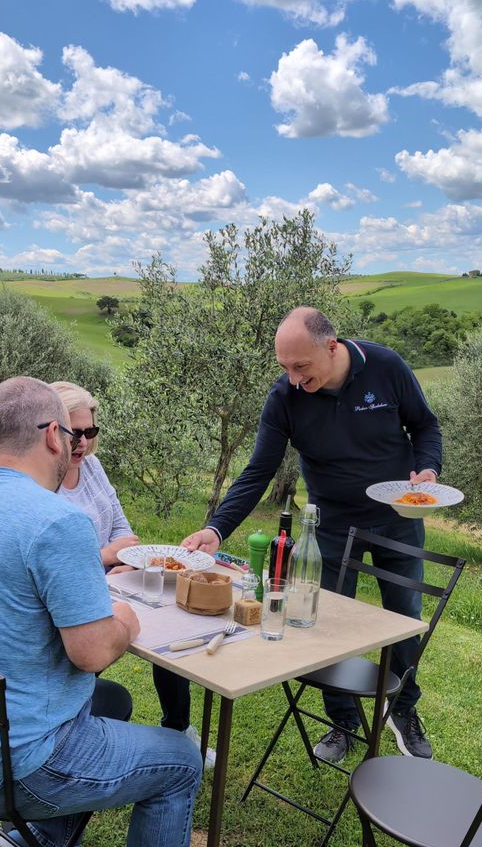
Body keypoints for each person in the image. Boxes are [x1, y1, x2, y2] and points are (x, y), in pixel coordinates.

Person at [0, 376, 203, 847]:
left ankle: (38, 841)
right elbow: (92, 651)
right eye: (71, 433)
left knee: (109, 701)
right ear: (52, 436)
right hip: (19, 766)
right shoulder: (55, 522)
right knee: (180, 760)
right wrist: (126, 621)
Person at [183, 307, 442, 763]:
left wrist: (428, 469)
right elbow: (259, 470)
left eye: (301, 366)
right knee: (325, 624)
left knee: (404, 618)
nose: (293, 378)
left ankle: (403, 710)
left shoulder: (386, 366)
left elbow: (425, 425)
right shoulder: (285, 396)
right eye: (284, 367)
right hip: (332, 526)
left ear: (332, 346)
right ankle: (342, 721)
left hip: (398, 518)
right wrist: (216, 527)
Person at [50, 380, 215, 766]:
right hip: (76, 592)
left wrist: (120, 559)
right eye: (75, 433)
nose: (83, 443)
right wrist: (107, 556)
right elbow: (56, 563)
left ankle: (178, 728)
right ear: (52, 431)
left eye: (91, 431)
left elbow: (123, 527)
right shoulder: (43, 480)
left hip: (114, 578)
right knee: (93, 649)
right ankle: (71, 731)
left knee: (170, 624)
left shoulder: (92, 467)